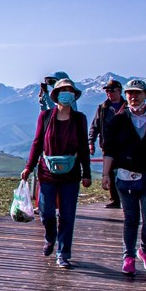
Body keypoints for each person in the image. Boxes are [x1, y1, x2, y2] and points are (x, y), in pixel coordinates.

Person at [102, 79, 146, 275]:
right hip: (126, 174)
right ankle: (128, 256)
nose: (133, 97)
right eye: (130, 93)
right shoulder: (118, 120)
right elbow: (109, 149)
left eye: (138, 93)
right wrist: (106, 174)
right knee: (131, 218)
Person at [22, 79, 92, 269]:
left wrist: (87, 173)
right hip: (47, 172)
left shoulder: (80, 119)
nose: (67, 93)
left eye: (70, 90)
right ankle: (50, 237)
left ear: (74, 95)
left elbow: (84, 147)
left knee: (68, 215)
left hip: (71, 173)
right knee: (46, 213)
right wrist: (29, 167)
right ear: (56, 95)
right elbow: (37, 142)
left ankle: (63, 253)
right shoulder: (45, 117)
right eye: (63, 90)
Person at [89, 79, 126, 208]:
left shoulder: (127, 107)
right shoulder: (103, 108)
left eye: (111, 90)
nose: (109, 93)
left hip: (126, 146)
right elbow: (95, 126)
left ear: (119, 91)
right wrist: (91, 142)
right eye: (107, 91)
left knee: (125, 172)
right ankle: (115, 199)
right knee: (110, 172)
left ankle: (126, 198)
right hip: (108, 145)